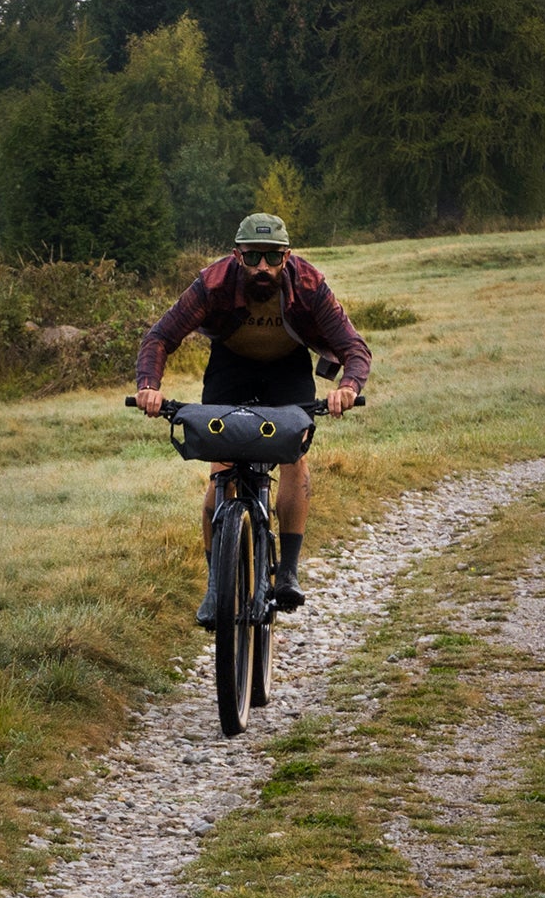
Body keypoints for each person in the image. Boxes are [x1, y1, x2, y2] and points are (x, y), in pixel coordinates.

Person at [135, 212, 371, 628]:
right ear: (237, 255)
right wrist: (149, 386)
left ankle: (289, 572)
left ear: (287, 256)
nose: (263, 266)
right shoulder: (212, 283)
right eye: (253, 257)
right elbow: (160, 336)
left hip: (288, 368)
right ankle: (215, 587)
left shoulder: (310, 285)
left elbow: (354, 347)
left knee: (293, 455)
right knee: (221, 466)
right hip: (231, 366)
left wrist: (347, 387)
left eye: (273, 257)